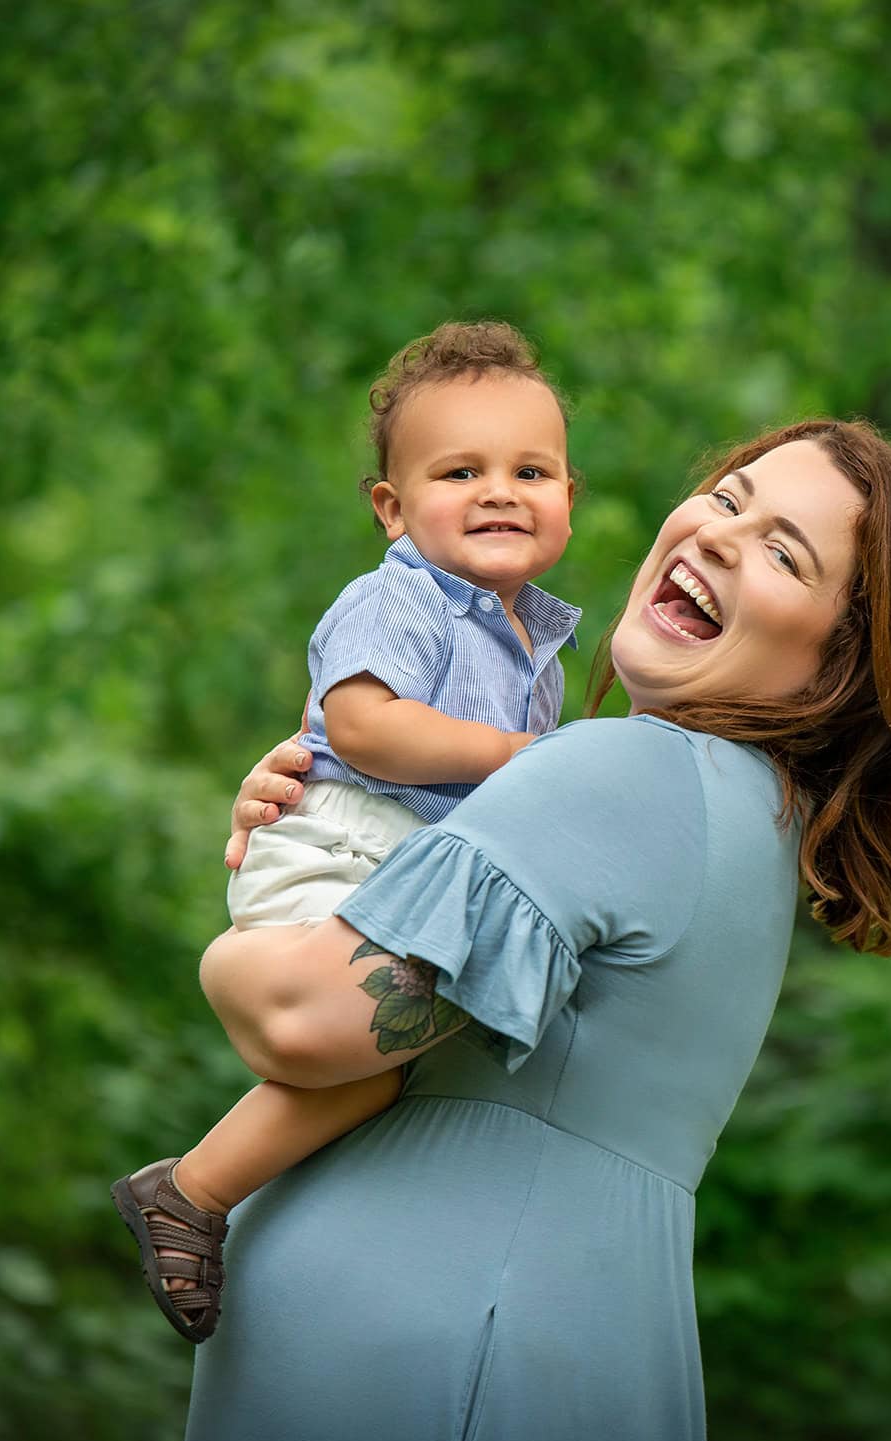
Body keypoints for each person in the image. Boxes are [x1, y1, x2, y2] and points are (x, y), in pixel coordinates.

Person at [184, 419, 891, 1441]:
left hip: (440, 1382)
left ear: (833, 673)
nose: (719, 535)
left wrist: (245, 919)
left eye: (780, 551)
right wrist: (336, 825)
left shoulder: (624, 771)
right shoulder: (743, 818)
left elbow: (303, 1018)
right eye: (726, 499)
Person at [111, 322, 581, 1342]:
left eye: (529, 470)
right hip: (340, 848)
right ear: (392, 508)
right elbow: (362, 726)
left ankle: (198, 1192)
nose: (500, 490)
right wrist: (513, 759)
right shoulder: (399, 600)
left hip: (392, 869)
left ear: (566, 501)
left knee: (375, 1082)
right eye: (460, 470)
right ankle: (189, 1191)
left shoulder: (529, 644)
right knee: (377, 1047)